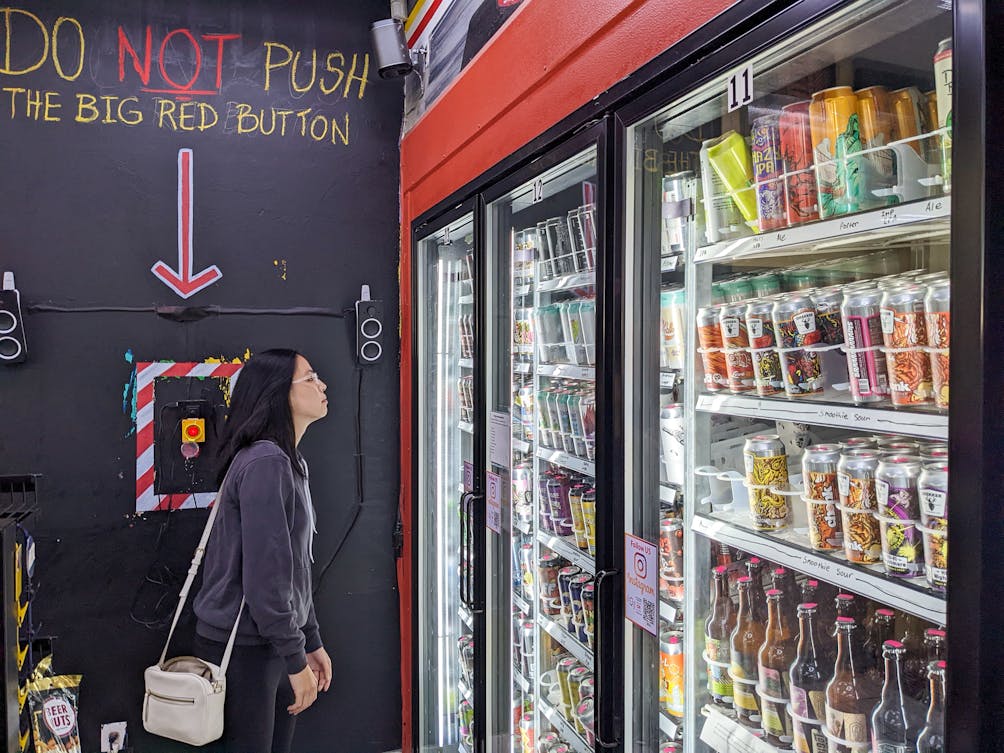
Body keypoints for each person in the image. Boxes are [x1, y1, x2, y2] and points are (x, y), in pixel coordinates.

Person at [193, 349, 332, 753]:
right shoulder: (267, 461)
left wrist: (310, 639)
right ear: (277, 394)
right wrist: (295, 656)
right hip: (244, 648)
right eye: (309, 378)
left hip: (265, 641)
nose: (321, 385)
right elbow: (266, 577)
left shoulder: (287, 460)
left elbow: (293, 570)